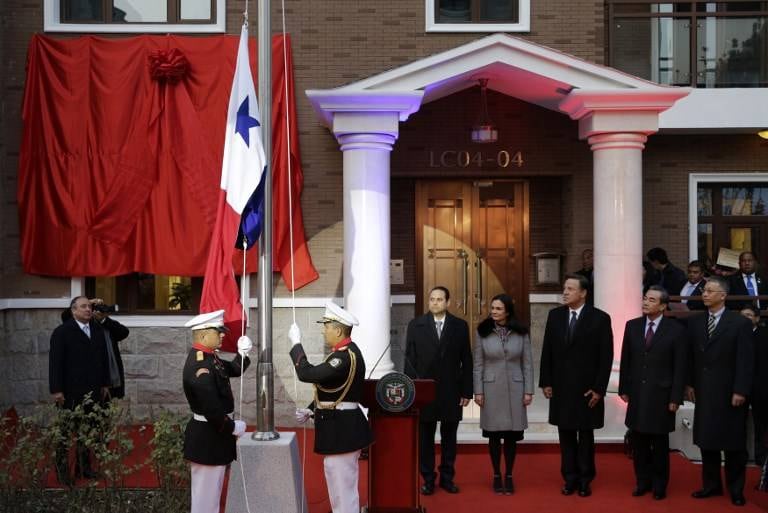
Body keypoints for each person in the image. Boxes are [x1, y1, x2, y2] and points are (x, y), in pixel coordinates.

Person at [290, 302, 373, 513]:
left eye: (326, 326)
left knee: (342, 489)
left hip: (341, 430)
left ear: (337, 330)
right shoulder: (345, 353)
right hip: (339, 428)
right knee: (338, 485)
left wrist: (296, 345)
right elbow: (331, 389)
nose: (323, 331)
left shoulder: (343, 357)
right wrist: (312, 409)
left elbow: (307, 374)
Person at [539, 273, 613, 498]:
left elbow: (606, 356)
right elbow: (547, 351)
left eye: (570, 289)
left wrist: (599, 388)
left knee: (586, 436)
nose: (565, 292)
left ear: (583, 293)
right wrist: (546, 381)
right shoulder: (555, 316)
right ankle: (569, 478)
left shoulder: (600, 318)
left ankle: (585, 479)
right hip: (561, 387)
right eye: (564, 288)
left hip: (587, 389)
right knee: (566, 434)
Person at [686, 276, 753, 506]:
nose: (704, 294)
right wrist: (689, 384)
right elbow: (690, 357)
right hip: (704, 390)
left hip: (730, 392)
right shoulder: (695, 322)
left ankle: (736, 489)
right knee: (707, 441)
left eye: (710, 291)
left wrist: (740, 390)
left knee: (733, 443)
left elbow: (745, 360)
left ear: (723, 296)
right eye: (704, 291)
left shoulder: (739, 323)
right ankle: (711, 485)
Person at [618, 286, 687, 500]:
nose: (646, 302)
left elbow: (680, 367)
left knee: (659, 444)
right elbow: (626, 360)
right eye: (645, 298)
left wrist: (676, 397)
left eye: (651, 300)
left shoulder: (676, 330)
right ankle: (642, 482)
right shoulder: (632, 326)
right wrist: (624, 388)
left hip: (662, 395)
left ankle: (659, 485)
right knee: (638, 442)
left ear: (663, 306)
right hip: (638, 394)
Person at [404, 286, 473, 495]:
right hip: (425, 390)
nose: (434, 302)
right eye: (432, 299)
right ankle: (427, 478)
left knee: (449, 438)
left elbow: (466, 360)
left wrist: (466, 391)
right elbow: (409, 361)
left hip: (452, 390)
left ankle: (447, 478)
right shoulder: (416, 325)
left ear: (448, 302)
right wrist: (411, 391)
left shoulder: (460, 326)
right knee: (425, 438)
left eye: (439, 299)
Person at [182, 310, 251, 513]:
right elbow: (210, 408)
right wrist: (232, 427)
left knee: (212, 495)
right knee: (206, 500)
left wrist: (243, 353)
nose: (222, 335)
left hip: (214, 435)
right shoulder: (200, 365)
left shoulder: (211, 358)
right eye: (218, 331)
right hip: (208, 437)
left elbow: (234, 369)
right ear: (203, 334)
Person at [473, 293, 533, 495]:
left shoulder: (521, 332)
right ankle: (497, 474)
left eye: (498, 309)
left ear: (508, 311)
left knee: (511, 436)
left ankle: (509, 475)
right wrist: (478, 391)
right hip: (491, 389)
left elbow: (527, 363)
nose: (494, 312)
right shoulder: (482, 331)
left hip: (516, 389)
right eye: (492, 308)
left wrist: (528, 391)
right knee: (494, 435)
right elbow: (478, 364)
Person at [49, 296, 113, 484]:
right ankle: (62, 473)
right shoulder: (62, 332)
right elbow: (55, 363)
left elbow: (103, 359)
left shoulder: (97, 330)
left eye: (89, 306)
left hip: (93, 390)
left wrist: (105, 383)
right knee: (65, 433)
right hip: (69, 391)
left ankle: (83, 469)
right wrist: (56, 390)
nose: (88, 309)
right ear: (73, 310)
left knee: (88, 431)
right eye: (83, 306)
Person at [741, 305, 768, 467]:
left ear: (757, 318)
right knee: (738, 424)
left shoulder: (764, 334)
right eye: (743, 315)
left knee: (761, 425)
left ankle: (761, 457)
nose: (745, 318)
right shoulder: (735, 333)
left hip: (761, 388)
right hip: (739, 388)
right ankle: (740, 456)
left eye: (749, 315)